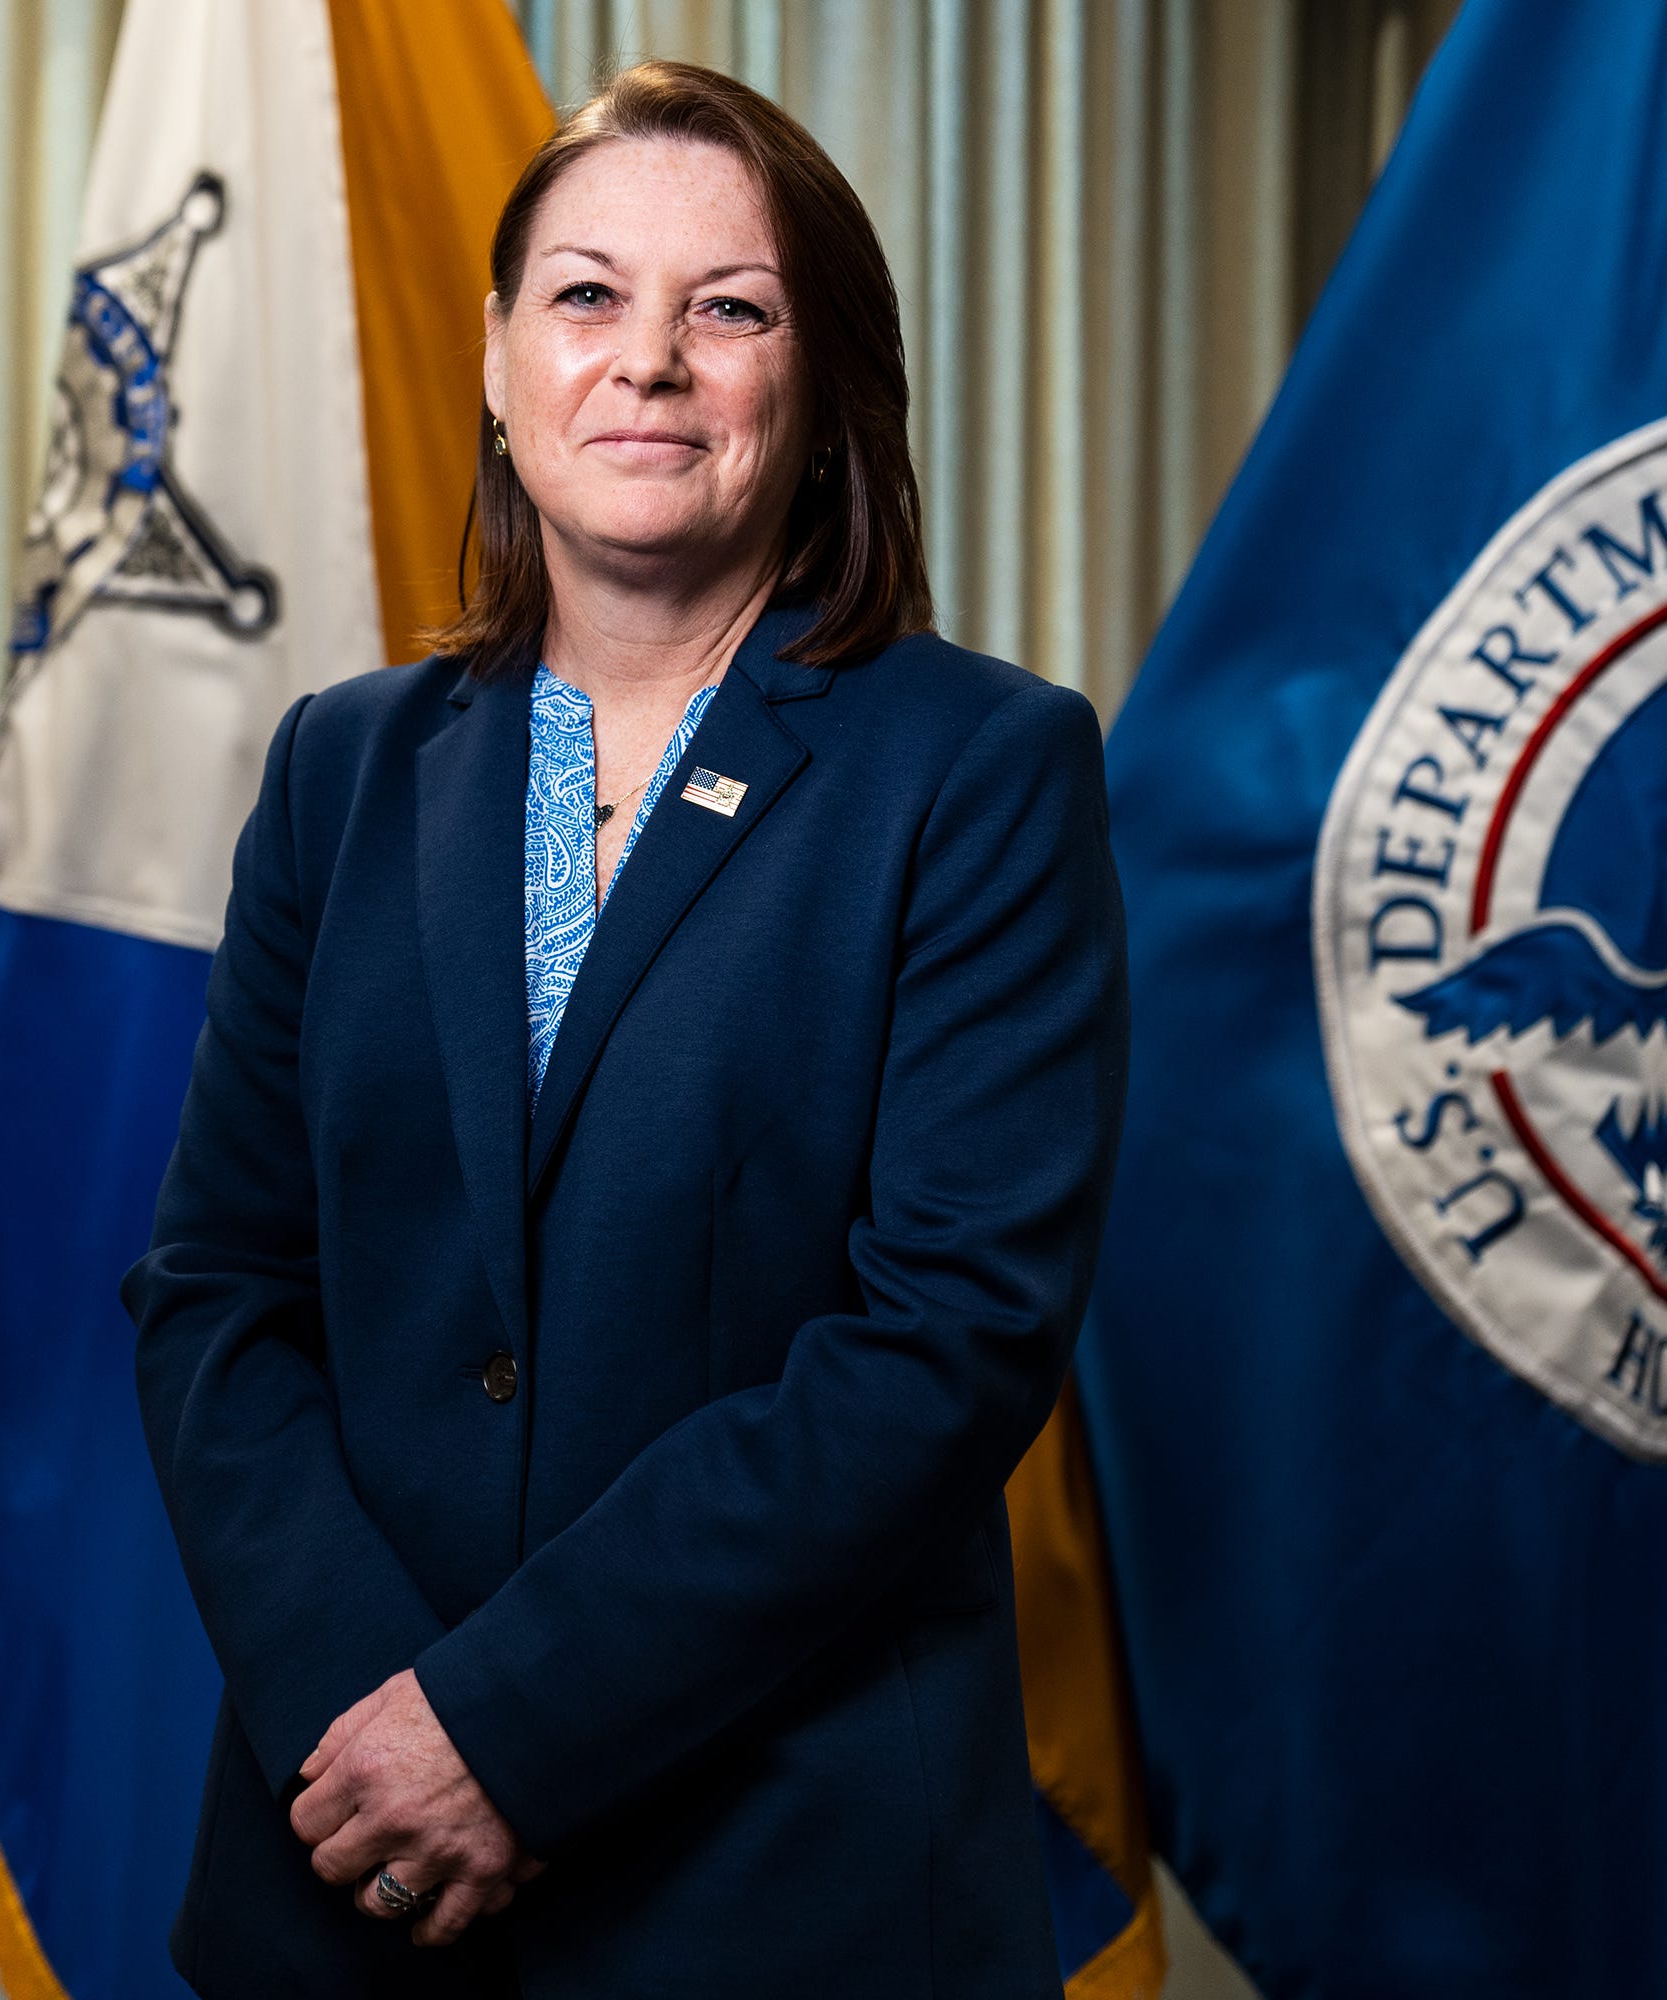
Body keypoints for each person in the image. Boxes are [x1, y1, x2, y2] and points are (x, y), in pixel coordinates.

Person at [126, 58, 1128, 1999]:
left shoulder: (983, 772)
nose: (647, 359)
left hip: (785, 1893)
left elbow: (941, 1347)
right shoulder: (345, 767)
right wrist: (379, 1725)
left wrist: (507, 1726)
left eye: (727, 308)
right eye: (587, 296)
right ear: (501, 364)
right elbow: (218, 1295)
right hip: (346, 1880)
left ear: (821, 383)